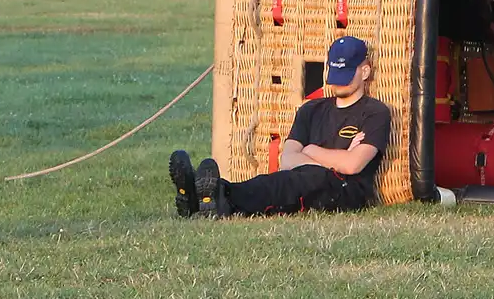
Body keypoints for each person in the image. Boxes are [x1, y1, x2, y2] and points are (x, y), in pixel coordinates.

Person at [168, 36, 392, 217]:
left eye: (346, 75)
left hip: (345, 191)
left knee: (293, 183)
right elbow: (288, 160)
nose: (338, 82)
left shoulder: (375, 112)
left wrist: (310, 150)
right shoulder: (311, 109)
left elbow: (353, 165)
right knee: (280, 181)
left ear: (365, 72)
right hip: (304, 179)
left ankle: (216, 195)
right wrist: (333, 163)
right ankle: (207, 198)